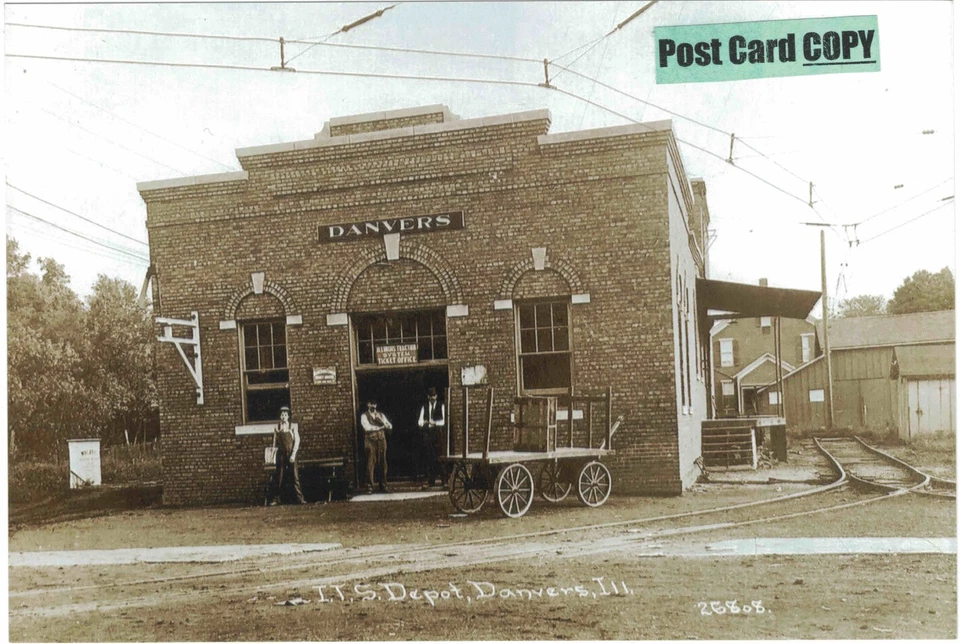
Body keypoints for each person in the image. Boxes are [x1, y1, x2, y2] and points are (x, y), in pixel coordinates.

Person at [269, 405, 305, 505]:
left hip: (291, 453)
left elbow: (297, 441)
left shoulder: (293, 426)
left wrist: (293, 454)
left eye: (285, 414)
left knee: (294, 476)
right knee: (279, 476)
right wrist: (273, 455)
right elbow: (274, 443)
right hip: (281, 454)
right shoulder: (277, 427)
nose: (283, 416)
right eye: (282, 414)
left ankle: (299, 498)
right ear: (280, 416)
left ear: (288, 416)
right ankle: (277, 499)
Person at [360, 399, 393, 493]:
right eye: (371, 404)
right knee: (371, 462)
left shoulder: (381, 415)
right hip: (370, 441)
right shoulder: (364, 416)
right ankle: (369, 487)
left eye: (374, 404)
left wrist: (381, 420)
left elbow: (389, 426)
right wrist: (380, 427)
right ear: (368, 404)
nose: (373, 406)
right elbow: (367, 428)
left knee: (383, 462)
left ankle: (383, 485)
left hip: (382, 440)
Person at [417, 387, 446, 489]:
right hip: (429, 434)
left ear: (436, 396)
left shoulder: (441, 405)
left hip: (438, 434)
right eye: (430, 396)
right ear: (428, 397)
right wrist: (423, 423)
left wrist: (435, 423)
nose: (432, 398)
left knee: (441, 457)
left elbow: (444, 421)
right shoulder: (424, 407)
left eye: (434, 396)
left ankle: (444, 481)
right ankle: (431, 481)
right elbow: (419, 421)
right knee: (430, 458)